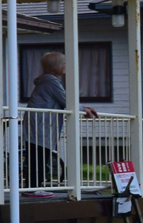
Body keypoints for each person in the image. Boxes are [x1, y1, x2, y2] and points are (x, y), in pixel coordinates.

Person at [23, 52, 97, 196]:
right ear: (57, 67)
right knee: (39, 155)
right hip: (41, 124)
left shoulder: (46, 80)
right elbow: (66, 100)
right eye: (64, 63)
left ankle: (32, 187)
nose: (65, 66)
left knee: (37, 155)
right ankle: (33, 188)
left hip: (39, 123)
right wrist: (84, 108)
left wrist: (83, 107)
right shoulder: (51, 81)